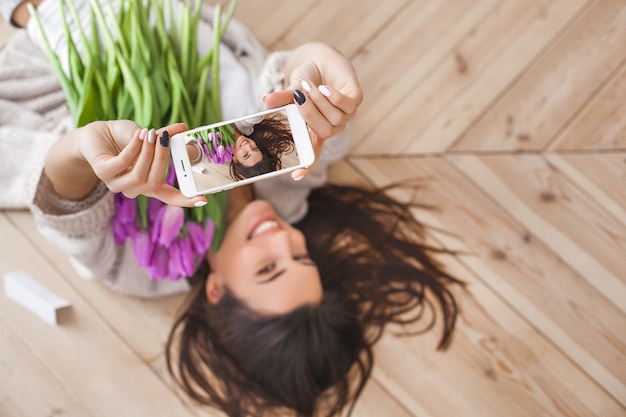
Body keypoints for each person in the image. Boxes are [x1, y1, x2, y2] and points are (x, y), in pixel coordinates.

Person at [0, 1, 464, 416]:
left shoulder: (148, 268)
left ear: (218, 290)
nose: (283, 238)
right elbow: (299, 102)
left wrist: (86, 148)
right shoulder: (291, 187)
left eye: (268, 269)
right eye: (302, 257)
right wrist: (311, 70)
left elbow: (64, 211)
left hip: (60, 29)